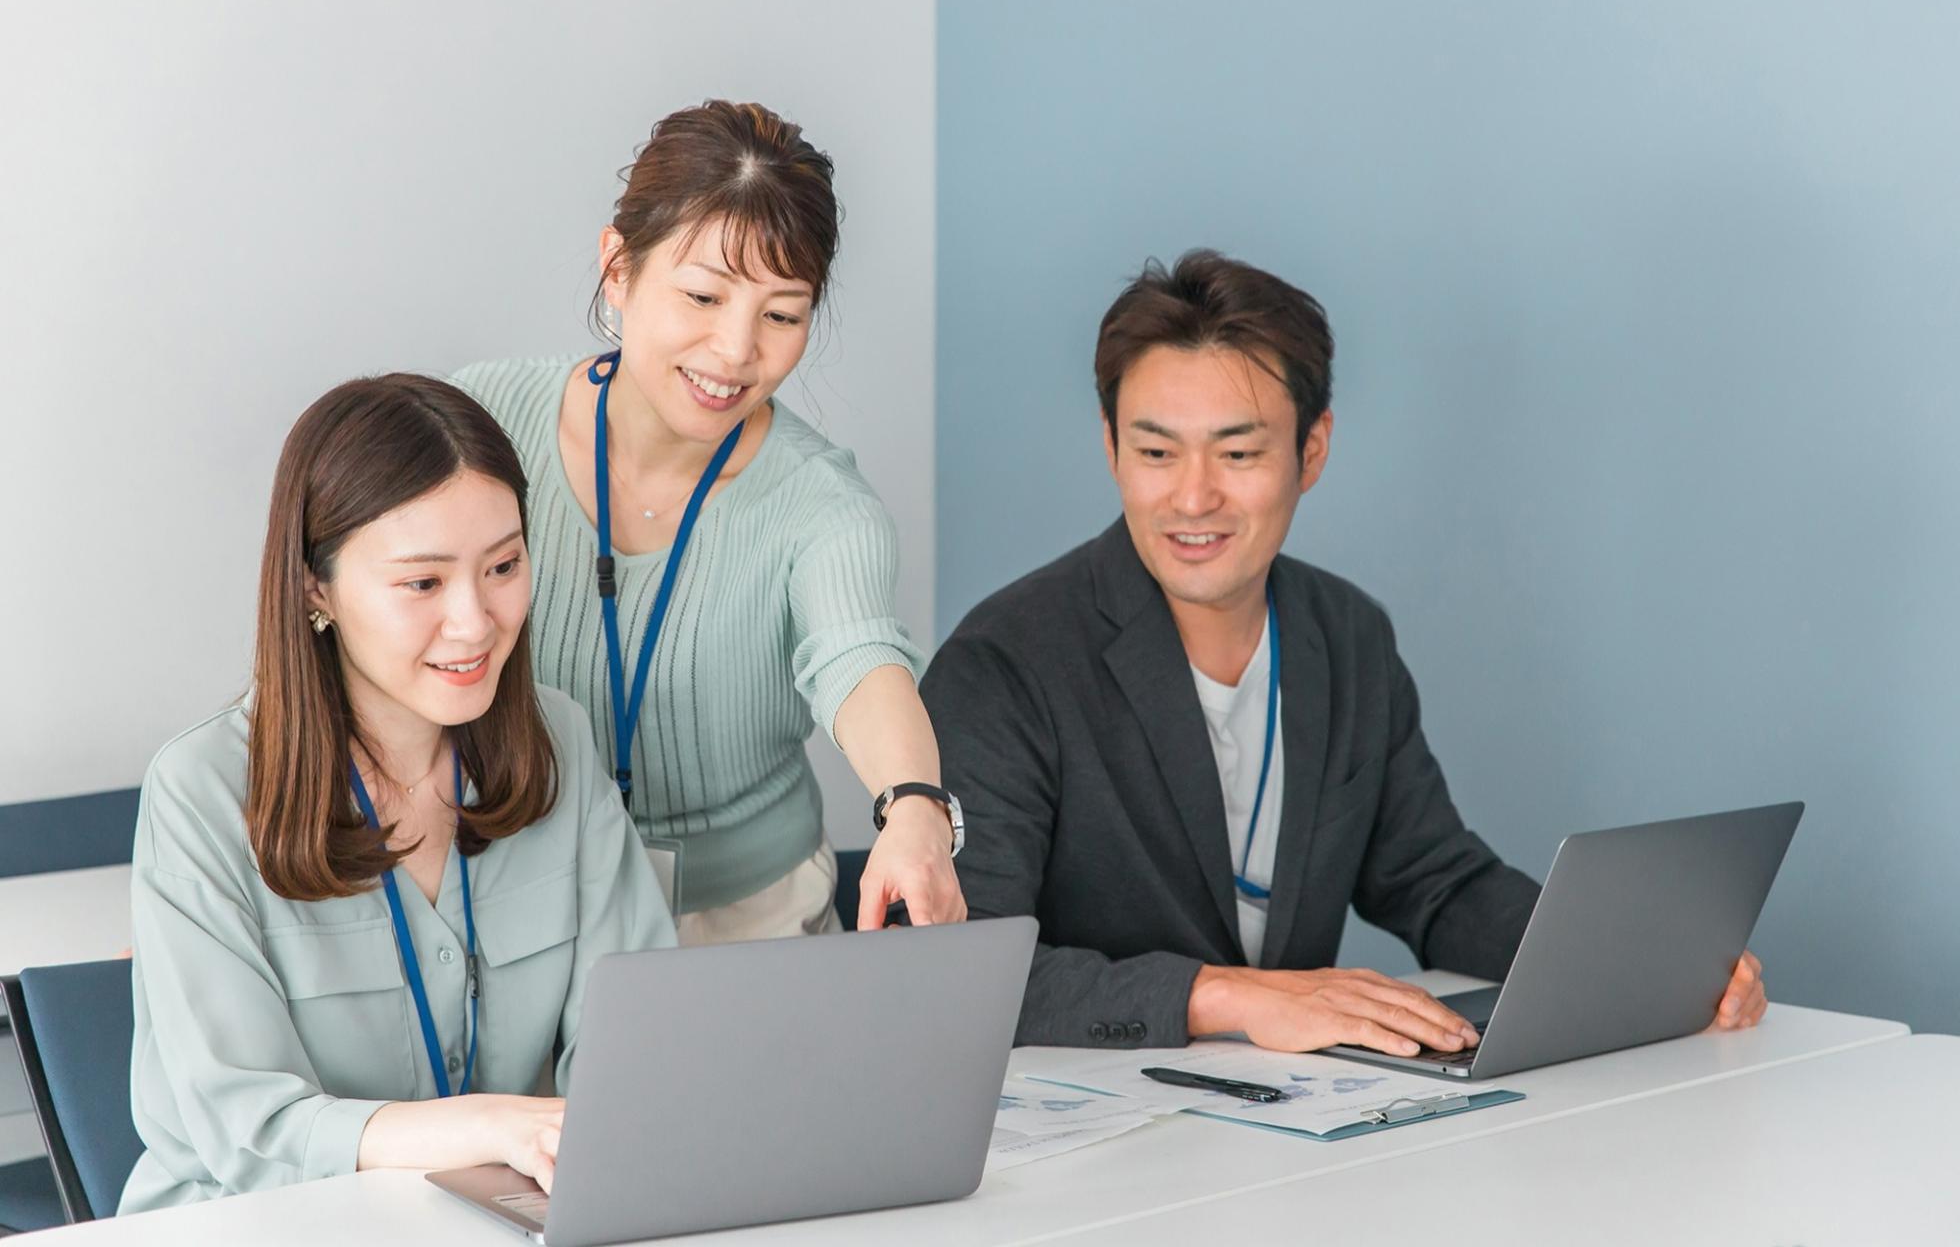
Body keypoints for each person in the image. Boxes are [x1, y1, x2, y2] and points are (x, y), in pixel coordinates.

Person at [921, 250, 1767, 1052]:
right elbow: (959, 973)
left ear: (1312, 450)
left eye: (1239, 453)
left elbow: (1436, 883)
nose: (1194, 496)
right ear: (1111, 448)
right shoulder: (1004, 666)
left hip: (1295, 1116)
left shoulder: (1346, 636)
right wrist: (1229, 997)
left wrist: (1635, 960)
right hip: (1085, 1128)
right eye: (1155, 453)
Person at [121, 375, 672, 1212]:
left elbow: (640, 1045)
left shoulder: (558, 741)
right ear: (316, 588)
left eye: (503, 566)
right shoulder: (201, 791)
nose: (476, 621)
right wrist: (489, 1125)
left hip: (500, 1217)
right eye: (423, 584)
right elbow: (249, 1132)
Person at [453, 100, 963, 939]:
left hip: (751, 917)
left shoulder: (822, 505)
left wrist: (914, 808)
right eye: (702, 295)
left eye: (782, 315)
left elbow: (859, 653)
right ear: (618, 268)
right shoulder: (479, 425)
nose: (735, 351)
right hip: (508, 894)